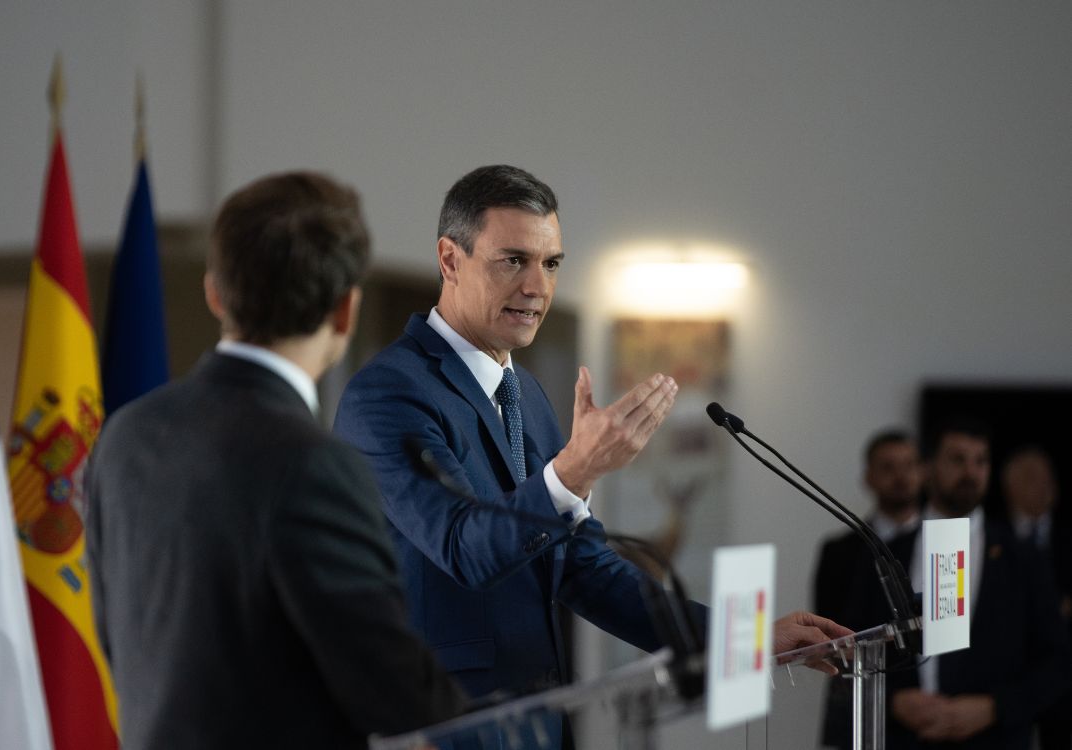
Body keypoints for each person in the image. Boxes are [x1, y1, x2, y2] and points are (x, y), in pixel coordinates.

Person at [333, 164, 849, 718]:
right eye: (513, 261)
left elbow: (583, 569)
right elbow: (463, 548)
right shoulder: (388, 393)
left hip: (539, 719)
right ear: (449, 259)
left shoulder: (523, 392)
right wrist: (574, 472)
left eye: (551, 263)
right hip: (444, 725)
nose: (537, 287)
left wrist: (741, 638)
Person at [84, 171, 466, 749]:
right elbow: (395, 690)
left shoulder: (126, 434)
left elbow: (118, 639)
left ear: (216, 293)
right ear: (346, 311)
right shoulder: (314, 465)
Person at [886, 418, 1069, 749]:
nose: (970, 472)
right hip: (906, 739)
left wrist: (994, 707)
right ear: (928, 468)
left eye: (980, 461)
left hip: (994, 739)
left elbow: (1057, 661)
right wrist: (893, 700)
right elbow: (853, 640)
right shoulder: (889, 553)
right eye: (957, 459)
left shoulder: (1022, 557)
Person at [813, 429, 925, 749]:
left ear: (923, 472)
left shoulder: (943, 549)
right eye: (888, 467)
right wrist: (892, 700)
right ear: (869, 478)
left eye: (909, 465)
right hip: (859, 716)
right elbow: (829, 641)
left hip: (934, 721)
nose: (901, 476)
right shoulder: (839, 552)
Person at [1000, 445, 1072, 749]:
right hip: (1006, 674)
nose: (1044, 486)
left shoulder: (1068, 538)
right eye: (1031, 478)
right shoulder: (990, 538)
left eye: (1048, 478)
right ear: (1009, 486)